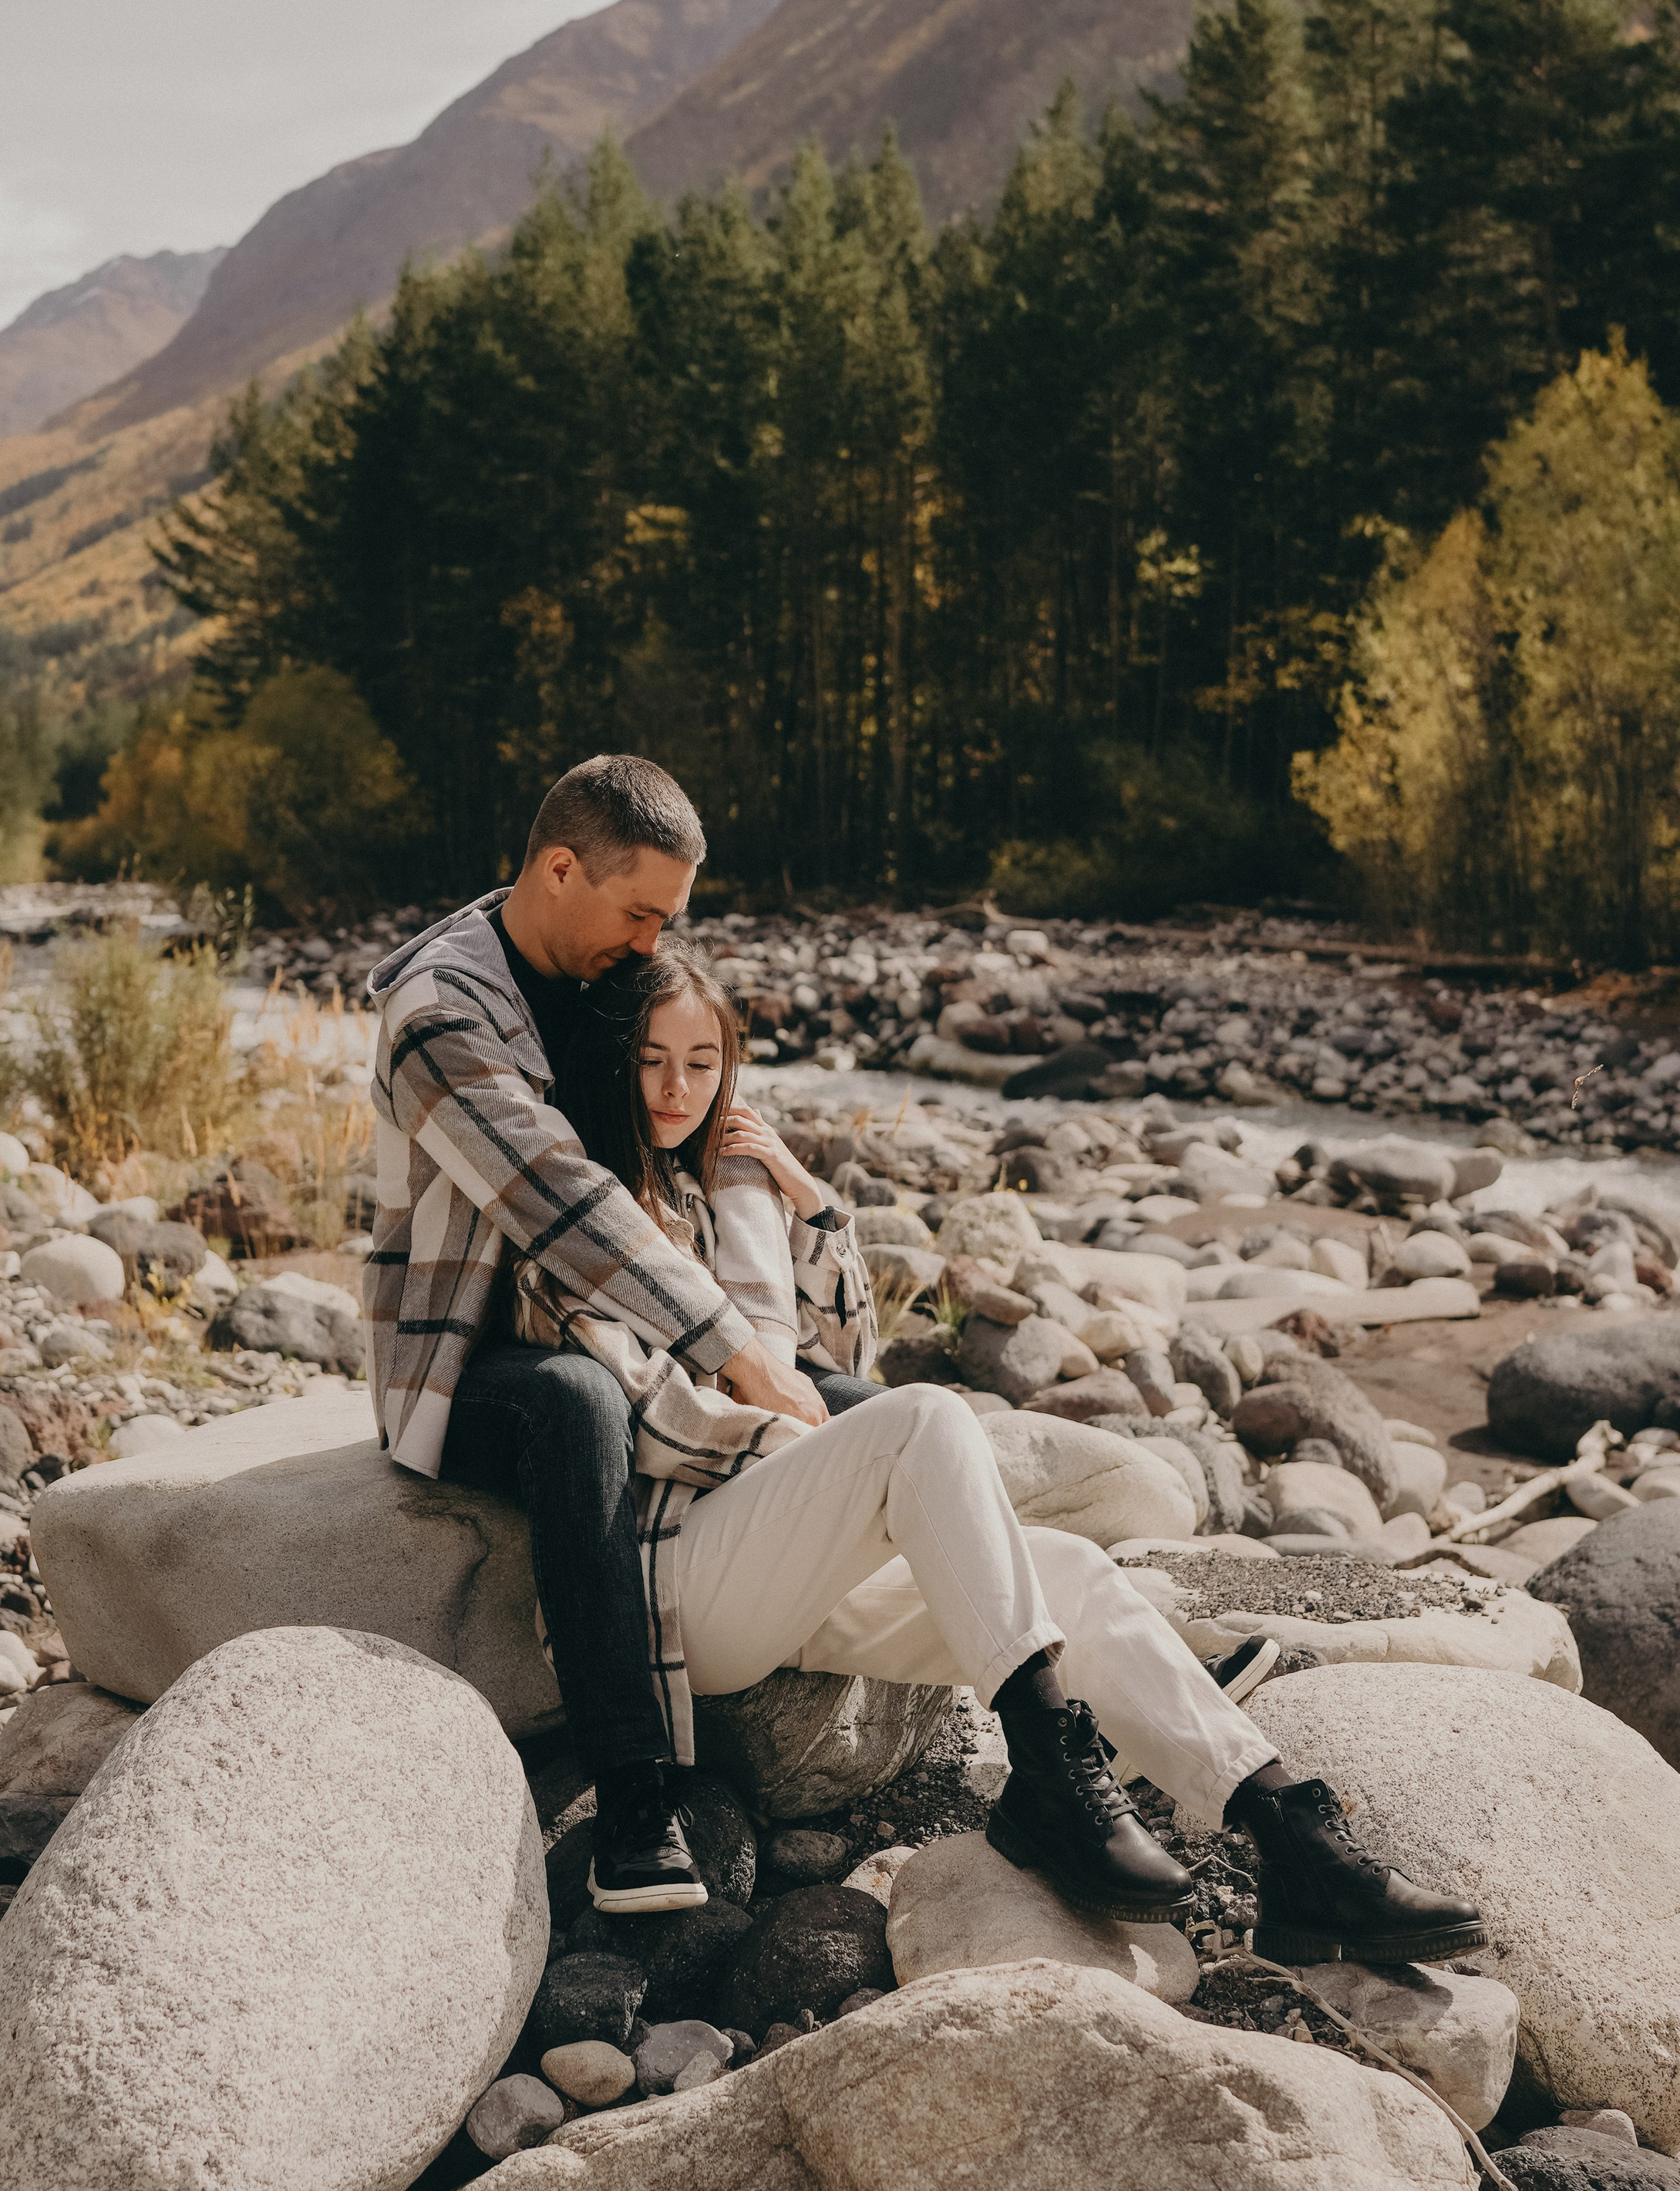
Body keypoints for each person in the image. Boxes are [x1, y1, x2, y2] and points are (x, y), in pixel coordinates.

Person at [526, 934, 1489, 1964]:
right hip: (675, 1577)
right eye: (652, 1061)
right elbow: (657, 1417)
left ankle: (1291, 1838)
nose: (678, 1089)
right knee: (925, 1418)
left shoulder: (719, 1191)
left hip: (783, 1560)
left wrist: (803, 1196)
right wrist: (796, 1416)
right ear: (614, 1062)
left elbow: (840, 1354)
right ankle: (1050, 1782)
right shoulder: (586, 1216)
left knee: (1067, 1571)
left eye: (702, 1062)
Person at [365, 754, 860, 1916]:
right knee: (574, 1404)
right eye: (641, 912)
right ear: (559, 868)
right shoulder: (439, 1011)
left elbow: (679, 1138)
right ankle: (634, 1796)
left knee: (869, 1409)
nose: (653, 942)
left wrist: (800, 1212)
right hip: (471, 1357)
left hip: (624, 1339)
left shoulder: (601, 973)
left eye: (668, 920)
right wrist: (735, 1349)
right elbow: (560, 1197)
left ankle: (1079, 1646)